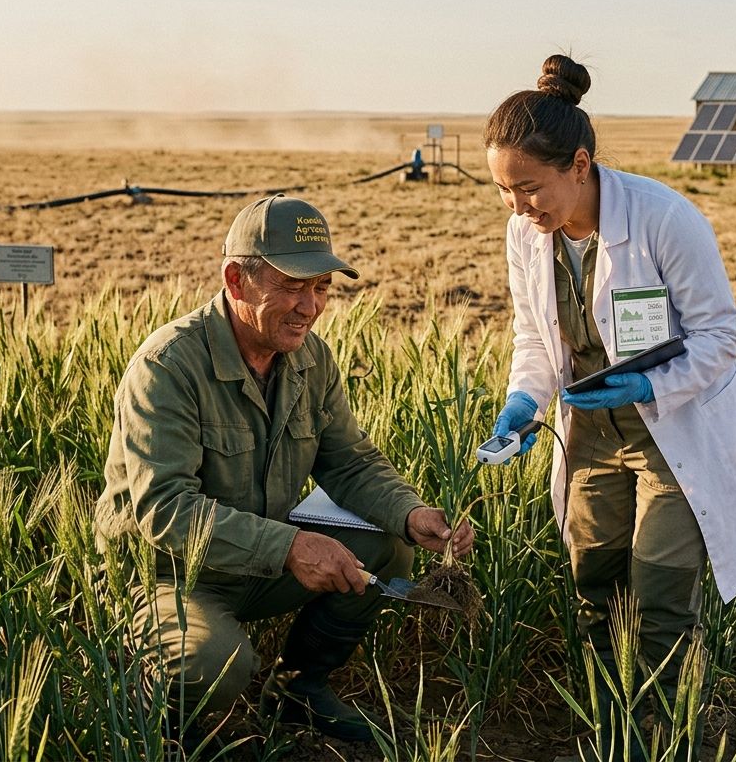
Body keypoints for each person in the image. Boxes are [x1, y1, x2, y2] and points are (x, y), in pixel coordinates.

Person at [94, 194, 474, 745]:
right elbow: (165, 510)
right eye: (292, 285)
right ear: (236, 280)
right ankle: (155, 730)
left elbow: (350, 461)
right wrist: (291, 547)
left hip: (260, 562)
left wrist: (412, 514)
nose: (310, 306)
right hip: (168, 576)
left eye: (322, 287)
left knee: (390, 544)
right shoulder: (168, 366)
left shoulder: (310, 359)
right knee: (216, 663)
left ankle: (299, 690)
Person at [484, 55, 736, 749]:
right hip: (590, 436)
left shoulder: (663, 219)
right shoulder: (527, 234)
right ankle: (609, 730)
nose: (519, 208)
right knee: (595, 589)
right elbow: (535, 338)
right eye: (503, 192)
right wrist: (524, 401)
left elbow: (719, 337)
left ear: (579, 165)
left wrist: (651, 385)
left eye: (529, 189)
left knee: (661, 598)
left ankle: (665, 739)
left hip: (670, 435)